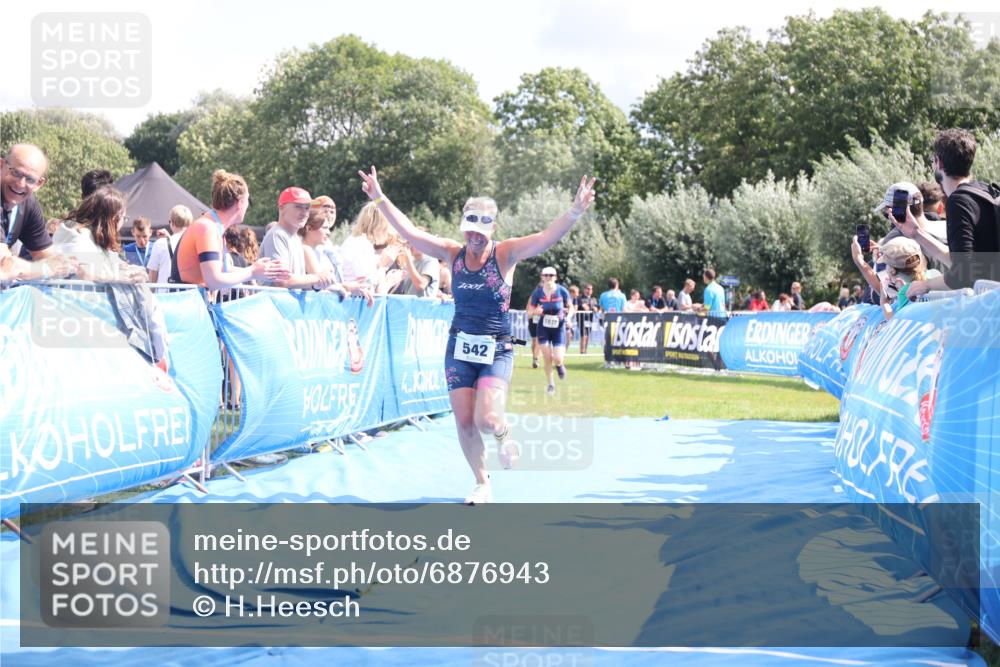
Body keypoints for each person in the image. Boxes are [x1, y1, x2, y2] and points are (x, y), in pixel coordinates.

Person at [358, 166, 596, 505]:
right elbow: (409, 231)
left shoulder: (505, 253)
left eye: (481, 232)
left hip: (497, 349)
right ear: (464, 228)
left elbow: (545, 238)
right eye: (469, 231)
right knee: (465, 420)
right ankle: (482, 482)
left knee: (487, 419)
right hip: (459, 347)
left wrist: (574, 211)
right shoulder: (451, 253)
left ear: (493, 229)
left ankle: (503, 432)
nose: (474, 238)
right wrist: (379, 197)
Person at [897, 129, 1000, 296]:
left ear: (939, 163)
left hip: (991, 310)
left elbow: (963, 275)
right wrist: (916, 234)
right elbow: (962, 263)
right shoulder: (988, 192)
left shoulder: (959, 202)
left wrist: (926, 285)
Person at [174, 170, 289, 289]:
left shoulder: (213, 227)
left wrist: (262, 271)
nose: (247, 206)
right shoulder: (208, 228)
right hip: (187, 303)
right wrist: (252, 272)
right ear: (239, 203)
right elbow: (213, 281)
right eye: (247, 200)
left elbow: (222, 269)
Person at [260, 187, 339, 290]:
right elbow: (283, 281)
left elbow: (298, 283)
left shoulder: (295, 239)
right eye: (298, 207)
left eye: (307, 208)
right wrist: (318, 277)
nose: (304, 213)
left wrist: (332, 286)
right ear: (281, 207)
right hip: (274, 304)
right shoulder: (277, 235)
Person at [299, 209, 373, 303]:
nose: (328, 233)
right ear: (308, 228)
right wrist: (347, 287)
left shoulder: (319, 252)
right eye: (324, 228)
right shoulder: (305, 249)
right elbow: (322, 283)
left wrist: (348, 287)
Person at [851, 234, 927, 320]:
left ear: (892, 270)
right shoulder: (933, 279)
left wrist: (884, 303)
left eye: (885, 264)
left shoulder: (905, 293)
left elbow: (894, 324)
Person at [1, 144, 55, 260]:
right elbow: (3, 263)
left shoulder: (29, 205)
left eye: (30, 179)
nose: (20, 184)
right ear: (1, 166)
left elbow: (48, 257)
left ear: (38, 184)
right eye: (16, 173)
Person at [340, 201, 405, 294]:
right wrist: (384, 266)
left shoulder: (358, 242)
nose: (389, 232)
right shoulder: (361, 244)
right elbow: (369, 286)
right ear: (379, 226)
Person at [528, 267, 574, 396]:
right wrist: (534, 312)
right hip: (543, 327)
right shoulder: (537, 293)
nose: (548, 278)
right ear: (542, 277)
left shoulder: (562, 291)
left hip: (559, 327)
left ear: (555, 277)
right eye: (546, 275)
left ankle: (559, 365)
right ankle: (551, 384)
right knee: (547, 358)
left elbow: (571, 307)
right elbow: (529, 313)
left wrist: (569, 317)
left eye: (551, 275)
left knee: (558, 358)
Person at [147, 205, 193, 284]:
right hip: (189, 293)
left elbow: (153, 274)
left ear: (172, 223)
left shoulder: (160, 243)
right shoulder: (195, 243)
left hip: (164, 293)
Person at [576, 283, 599, 354]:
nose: (589, 290)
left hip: (590, 319)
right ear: (584, 289)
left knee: (587, 335)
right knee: (583, 335)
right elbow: (583, 307)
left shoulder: (593, 299)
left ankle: (585, 351)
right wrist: (591, 307)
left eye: (591, 289)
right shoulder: (580, 297)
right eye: (588, 289)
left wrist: (595, 308)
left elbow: (597, 308)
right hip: (581, 319)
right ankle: (582, 351)